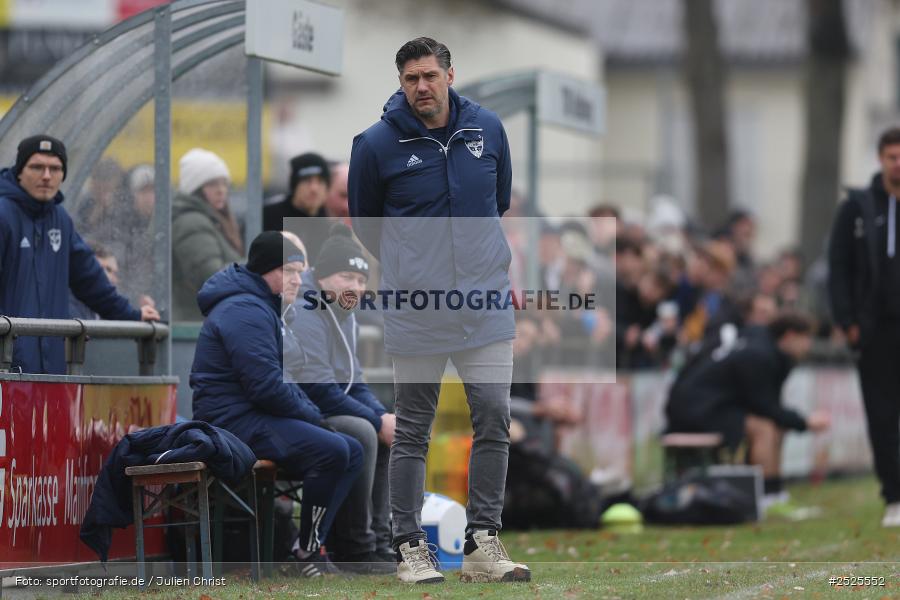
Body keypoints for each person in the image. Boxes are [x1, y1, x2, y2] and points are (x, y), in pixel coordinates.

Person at [349, 36, 530, 583]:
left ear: (451, 75)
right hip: (418, 310)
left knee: (495, 418)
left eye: (429, 76)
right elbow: (367, 225)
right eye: (411, 79)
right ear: (400, 83)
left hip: (485, 306)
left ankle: (483, 543)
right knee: (412, 431)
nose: (421, 87)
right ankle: (409, 547)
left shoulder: (489, 129)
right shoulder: (375, 144)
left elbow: (497, 201)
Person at [190, 231, 363, 576]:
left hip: (254, 415)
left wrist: (313, 417)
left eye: (300, 272)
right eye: (288, 271)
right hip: (232, 422)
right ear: (265, 270)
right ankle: (307, 553)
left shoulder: (267, 307)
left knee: (350, 449)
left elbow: (285, 378)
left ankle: (308, 547)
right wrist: (315, 418)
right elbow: (266, 387)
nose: (298, 280)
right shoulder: (244, 309)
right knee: (333, 450)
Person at [286, 223, 395, 573]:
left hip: (323, 408)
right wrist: (375, 421)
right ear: (322, 278)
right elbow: (317, 388)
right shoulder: (306, 310)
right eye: (347, 276)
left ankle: (378, 543)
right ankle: (354, 547)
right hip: (298, 414)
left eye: (362, 281)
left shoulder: (344, 312)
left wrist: (384, 417)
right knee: (362, 431)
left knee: (387, 429)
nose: (356, 287)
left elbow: (355, 383)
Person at [0, 135, 159, 374]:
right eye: (37, 167)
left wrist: (132, 315)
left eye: (55, 168)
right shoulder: (4, 215)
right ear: (20, 171)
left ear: (63, 175)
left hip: (50, 369)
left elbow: (91, 280)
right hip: (7, 366)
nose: (46, 175)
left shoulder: (60, 220)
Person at [665, 311, 830, 510]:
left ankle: (777, 492)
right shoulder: (760, 355)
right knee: (764, 428)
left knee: (775, 426)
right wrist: (805, 422)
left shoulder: (763, 347)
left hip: (708, 405)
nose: (809, 346)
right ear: (789, 336)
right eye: (806, 339)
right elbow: (765, 406)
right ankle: (767, 496)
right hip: (695, 409)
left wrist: (796, 421)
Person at [828, 126, 900, 528]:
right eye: (892, 156)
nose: (898, 163)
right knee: (882, 414)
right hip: (874, 331)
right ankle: (894, 495)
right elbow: (838, 267)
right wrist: (846, 319)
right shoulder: (856, 207)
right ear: (880, 159)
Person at [172, 148, 244, 321]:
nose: (221, 190)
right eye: (212, 184)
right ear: (195, 189)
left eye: (224, 183)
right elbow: (212, 277)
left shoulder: (211, 220)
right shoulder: (191, 222)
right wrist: (255, 267)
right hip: (193, 323)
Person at [263, 152, 332, 259]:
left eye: (320, 181)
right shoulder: (268, 216)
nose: (314, 188)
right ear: (294, 185)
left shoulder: (330, 225)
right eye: (307, 181)